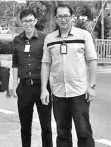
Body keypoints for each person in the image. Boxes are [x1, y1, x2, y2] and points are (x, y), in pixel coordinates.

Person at [40, 4, 97, 147]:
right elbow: (46, 63)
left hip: (79, 92)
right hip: (59, 93)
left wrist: (91, 86)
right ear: (56, 18)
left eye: (66, 16)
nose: (63, 19)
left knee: (84, 132)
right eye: (60, 16)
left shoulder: (83, 35)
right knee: (62, 133)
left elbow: (92, 61)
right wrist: (44, 89)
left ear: (71, 17)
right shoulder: (49, 39)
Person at [11, 9, 53, 147]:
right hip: (24, 87)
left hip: (42, 87)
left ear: (35, 21)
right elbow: (15, 63)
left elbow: (48, 62)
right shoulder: (17, 40)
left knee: (46, 126)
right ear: (21, 23)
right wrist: (13, 84)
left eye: (30, 20)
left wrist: (44, 88)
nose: (27, 23)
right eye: (24, 21)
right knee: (25, 126)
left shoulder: (44, 38)